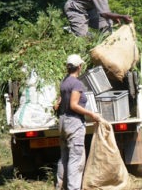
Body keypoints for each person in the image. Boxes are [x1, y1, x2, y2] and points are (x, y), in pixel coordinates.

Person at [55, 54, 102, 190]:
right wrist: (92, 114)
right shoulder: (77, 83)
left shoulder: (65, 81)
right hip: (73, 123)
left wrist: (57, 104)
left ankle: (60, 186)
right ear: (79, 67)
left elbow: (60, 100)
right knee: (76, 159)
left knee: (64, 157)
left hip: (63, 122)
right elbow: (74, 105)